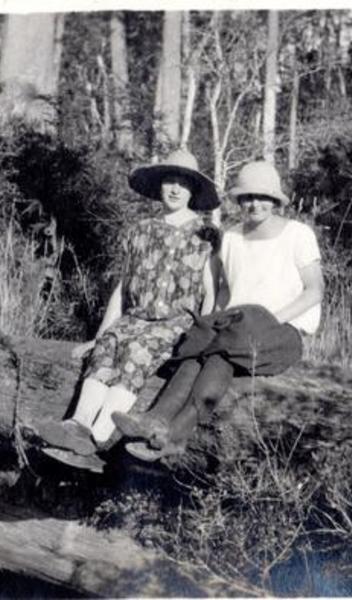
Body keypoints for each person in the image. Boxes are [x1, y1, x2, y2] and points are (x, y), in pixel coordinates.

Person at [111, 160, 325, 461]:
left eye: (263, 197)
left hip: (282, 332)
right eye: (247, 197)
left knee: (221, 352)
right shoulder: (232, 236)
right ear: (239, 200)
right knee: (198, 348)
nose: (255, 204)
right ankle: (154, 421)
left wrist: (269, 321)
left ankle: (175, 436)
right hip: (238, 327)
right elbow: (226, 289)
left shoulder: (297, 234)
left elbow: (315, 290)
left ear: (275, 200)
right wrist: (214, 320)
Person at [38, 149, 221, 472]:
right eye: (169, 181)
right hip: (135, 317)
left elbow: (210, 292)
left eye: (183, 183)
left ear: (193, 190)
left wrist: (200, 337)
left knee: (136, 351)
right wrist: (99, 336)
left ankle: (98, 438)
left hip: (173, 324)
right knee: (109, 346)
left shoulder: (205, 235)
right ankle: (77, 425)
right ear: (159, 186)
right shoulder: (141, 230)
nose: (175, 189)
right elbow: (123, 288)